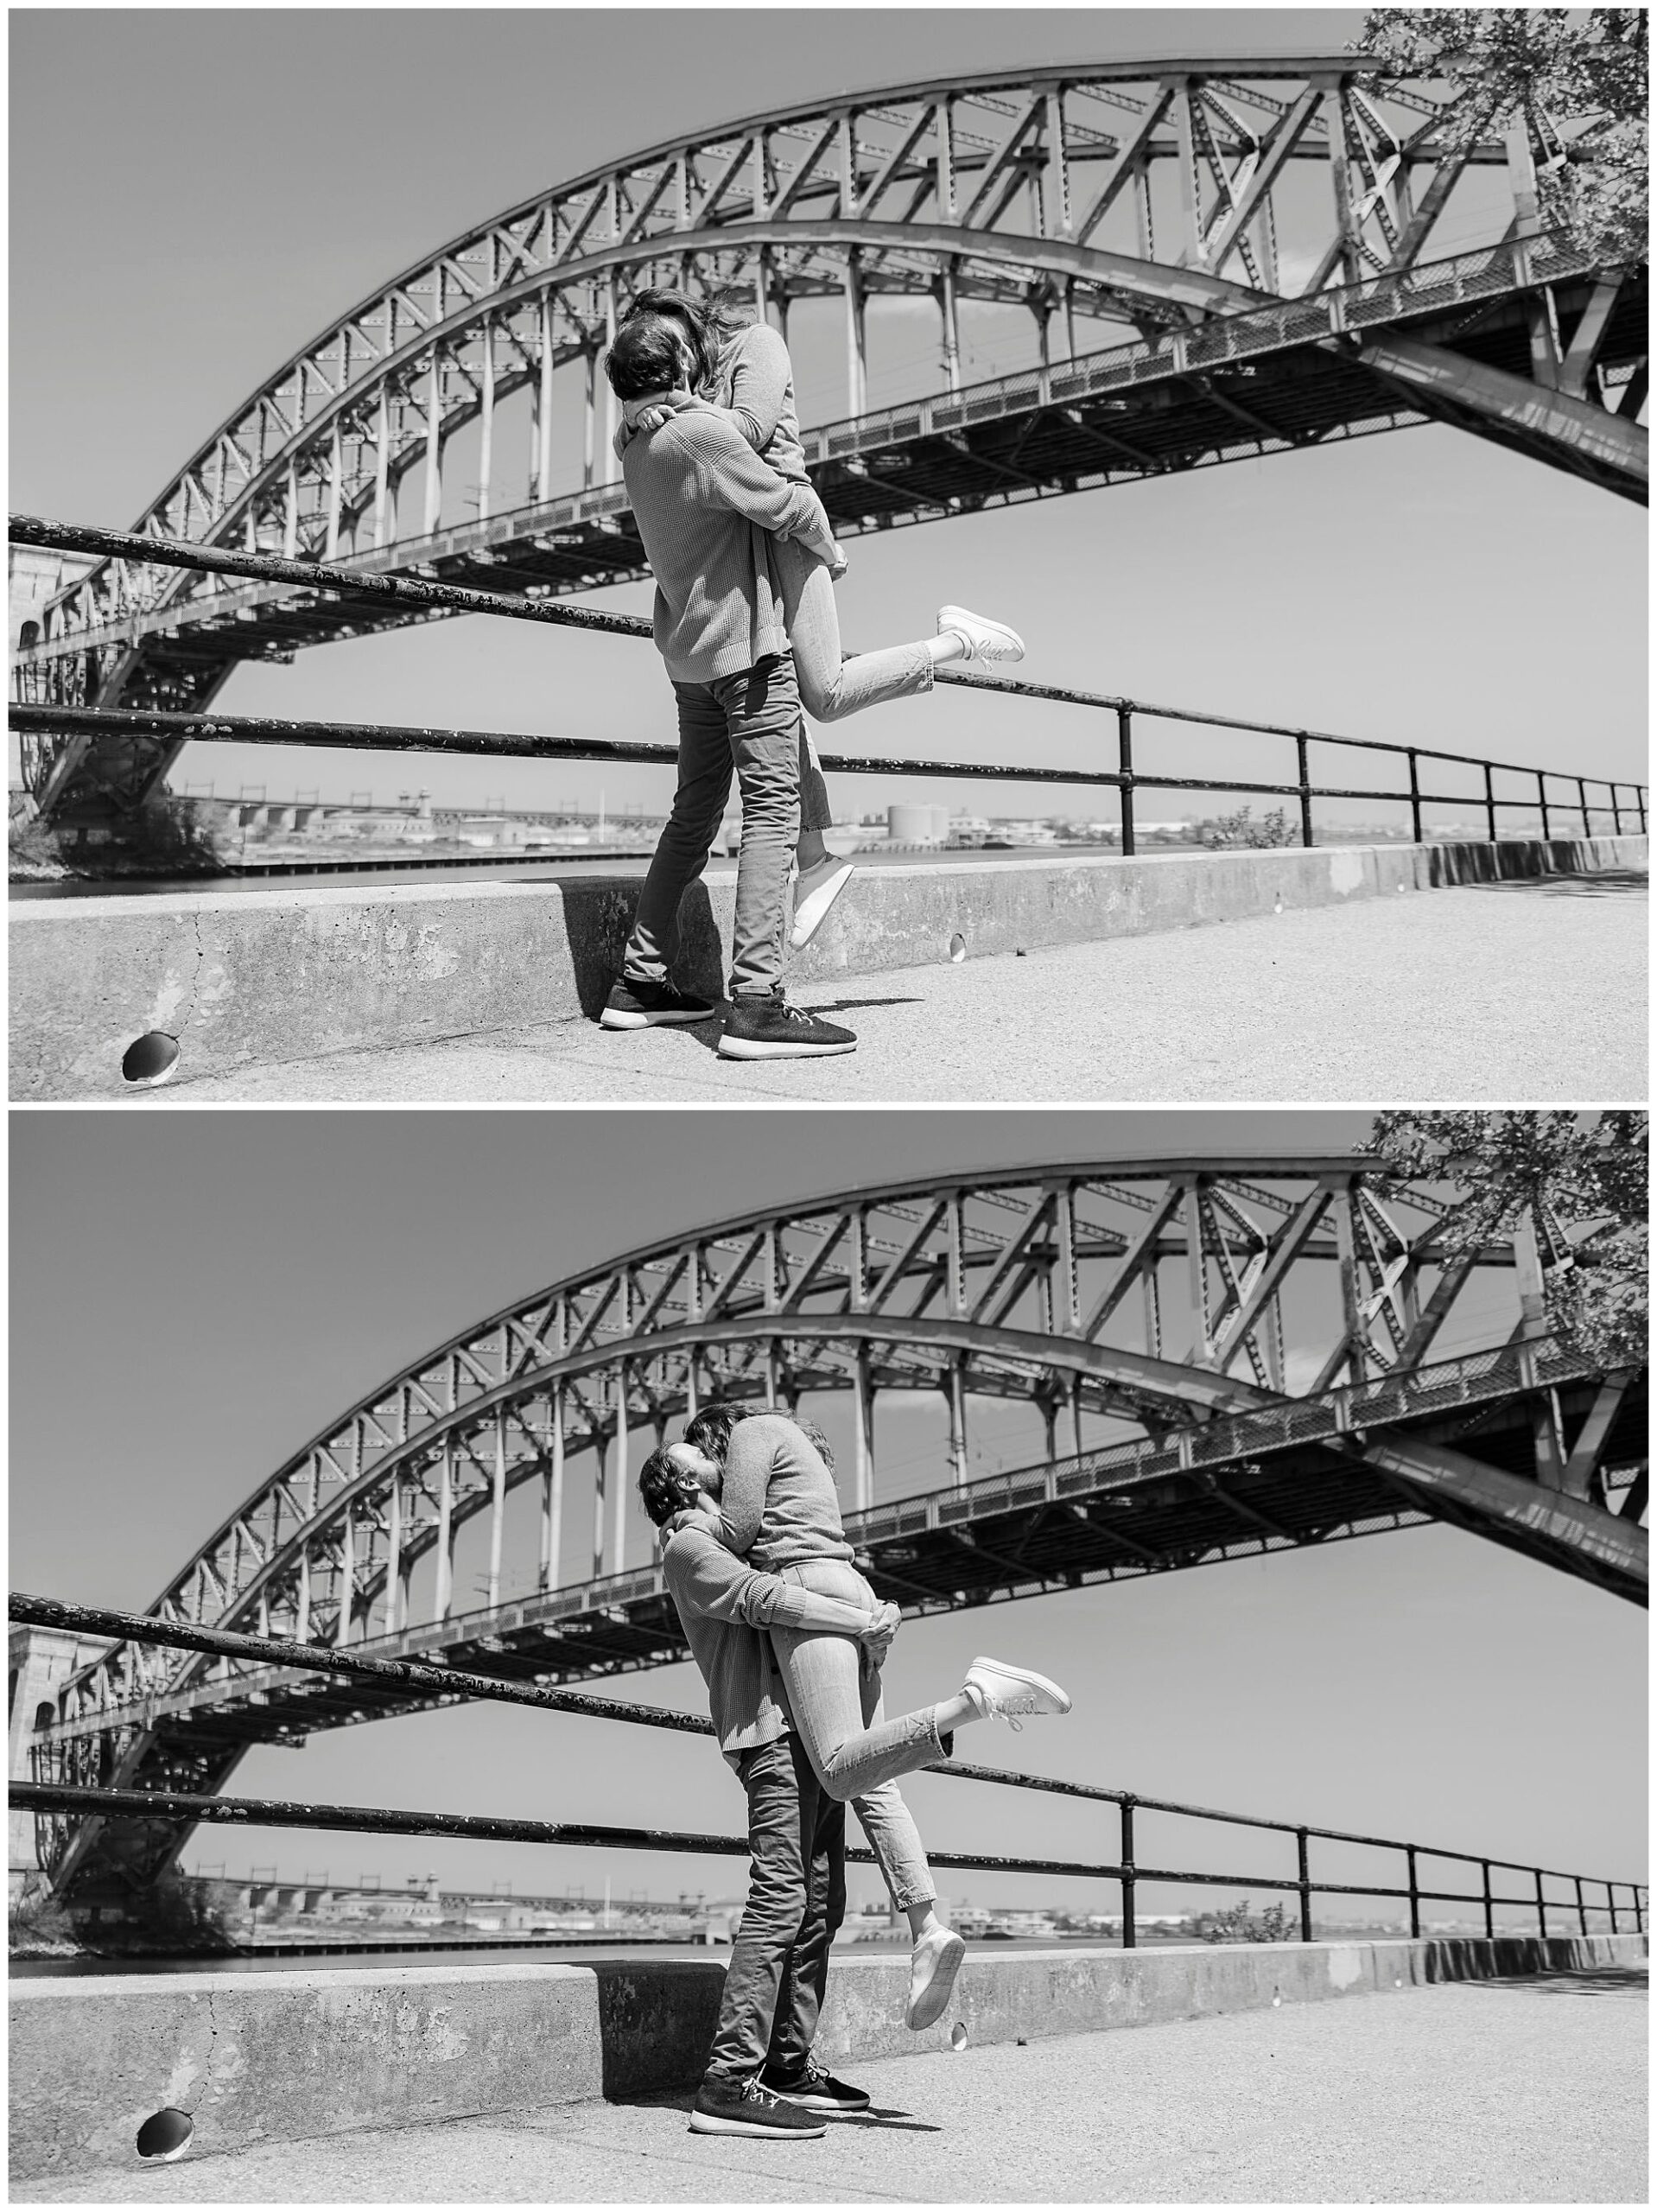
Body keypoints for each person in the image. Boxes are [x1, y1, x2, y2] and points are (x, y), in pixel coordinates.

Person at [613, 285, 1026, 950]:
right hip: (739, 532)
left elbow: (745, 432)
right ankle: (813, 862)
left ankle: (955, 640)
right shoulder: (675, 399)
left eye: (671, 342)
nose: (669, 358)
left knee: (823, 692)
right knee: (778, 694)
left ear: (691, 332)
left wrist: (670, 409)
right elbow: (664, 443)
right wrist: (640, 417)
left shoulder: (758, 346)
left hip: (784, 526)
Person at [659, 1403, 1072, 2024]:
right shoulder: (798, 1458)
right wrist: (871, 1617)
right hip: (855, 1590)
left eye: (693, 1455)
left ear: (717, 1450)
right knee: (873, 1784)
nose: (694, 1469)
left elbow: (742, 1546)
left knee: (835, 1773)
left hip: (813, 1603)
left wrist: (684, 1520)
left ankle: (970, 1701)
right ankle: (927, 1928)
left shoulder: (747, 1444)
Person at [638, 1444, 895, 2137]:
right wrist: (856, 1619)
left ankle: (786, 2064)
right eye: (707, 1456)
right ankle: (727, 2082)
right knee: (783, 1891)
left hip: (805, 1730)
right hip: (766, 1735)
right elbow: (763, 1602)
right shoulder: (686, 1545)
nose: (729, 1459)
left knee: (823, 1900)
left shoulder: (742, 1540)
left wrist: (866, 1624)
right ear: (686, 1479)